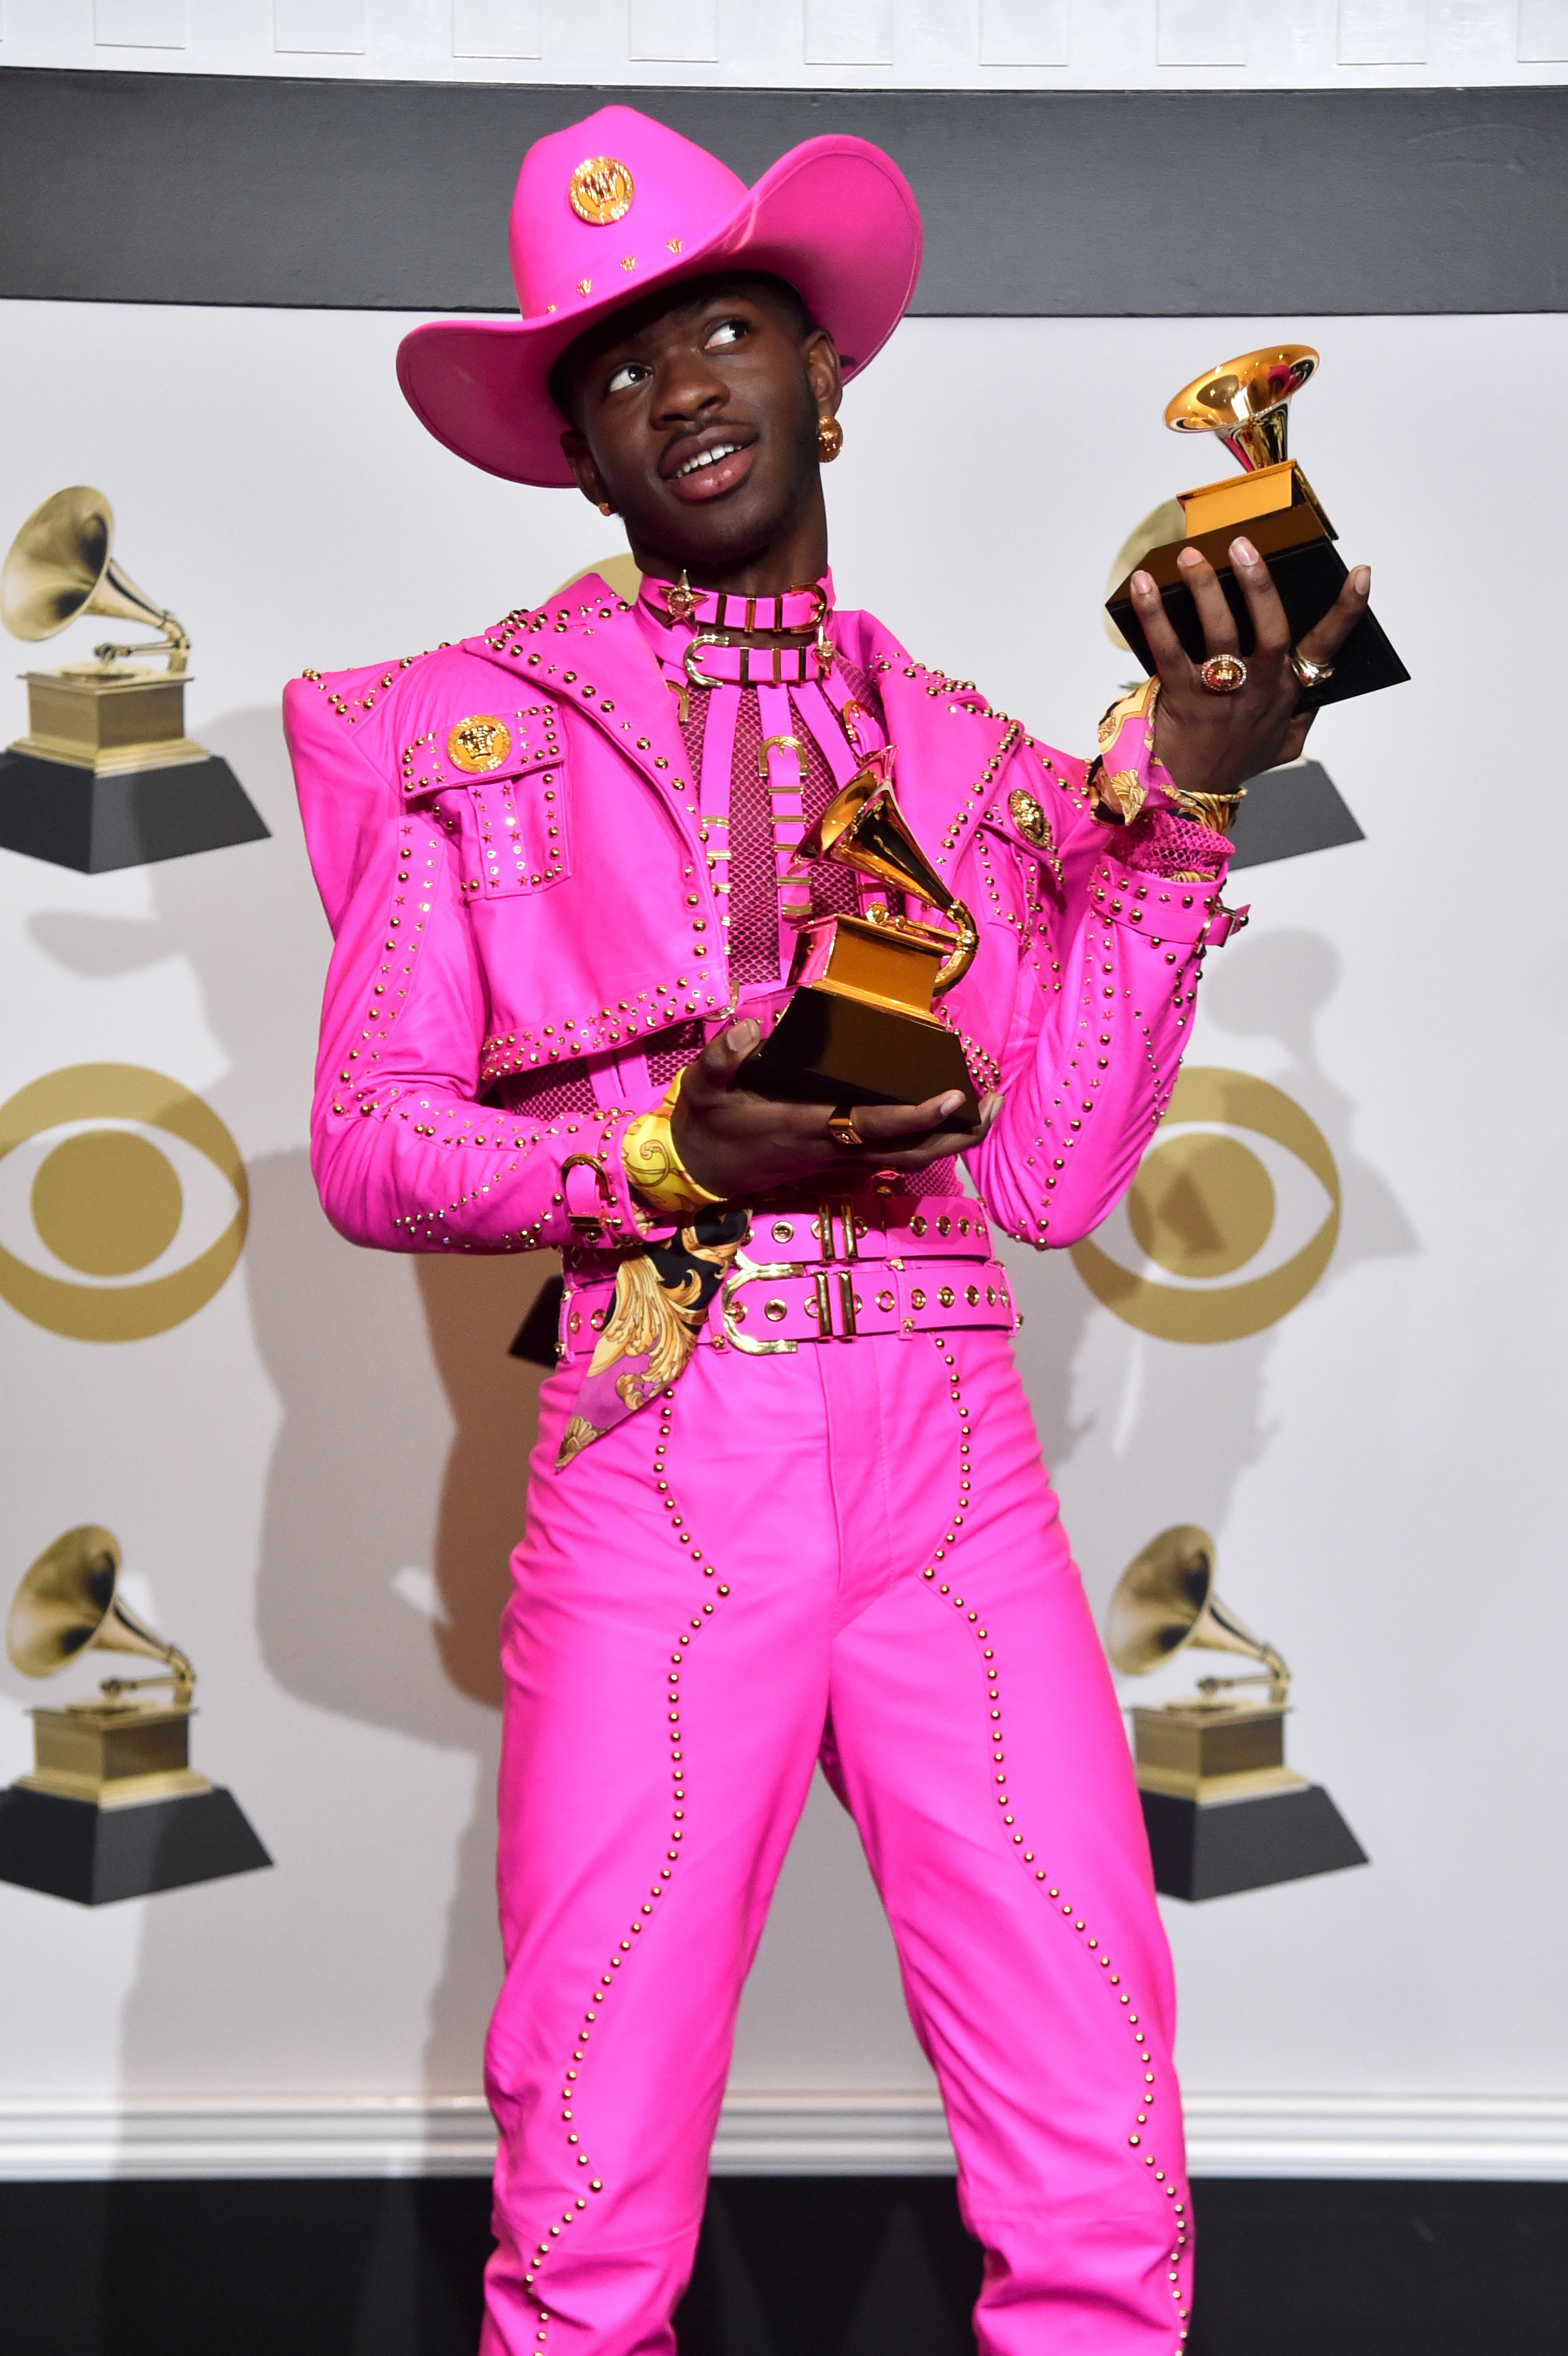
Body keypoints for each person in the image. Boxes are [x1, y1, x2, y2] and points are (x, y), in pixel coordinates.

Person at [285, 105, 1369, 2356]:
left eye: (726, 328)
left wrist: (1180, 807)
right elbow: (377, 1144)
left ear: (825, 380)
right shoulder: (467, 736)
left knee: (1096, 2118)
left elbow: (1058, 1177)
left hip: (954, 1457)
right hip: (670, 1446)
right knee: (589, 2168)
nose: (679, 388)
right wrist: (663, 1160)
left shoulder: (970, 761)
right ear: (571, 452)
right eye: (614, 368)